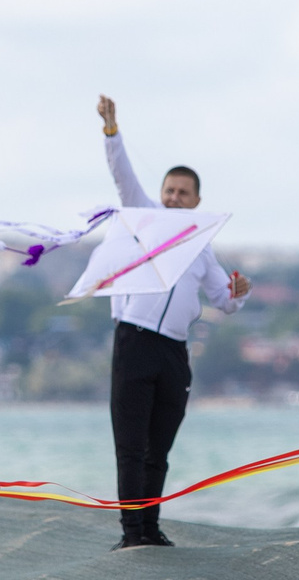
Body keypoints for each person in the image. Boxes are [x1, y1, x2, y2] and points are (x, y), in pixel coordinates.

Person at [95, 94, 250, 549]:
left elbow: (224, 300)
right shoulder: (145, 219)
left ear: (197, 200)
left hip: (174, 353)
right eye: (169, 191)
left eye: (183, 193)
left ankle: (150, 527)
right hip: (134, 343)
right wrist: (111, 131)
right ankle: (132, 534)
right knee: (131, 446)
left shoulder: (202, 248)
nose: (174, 198)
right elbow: (123, 177)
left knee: (158, 449)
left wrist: (239, 292)